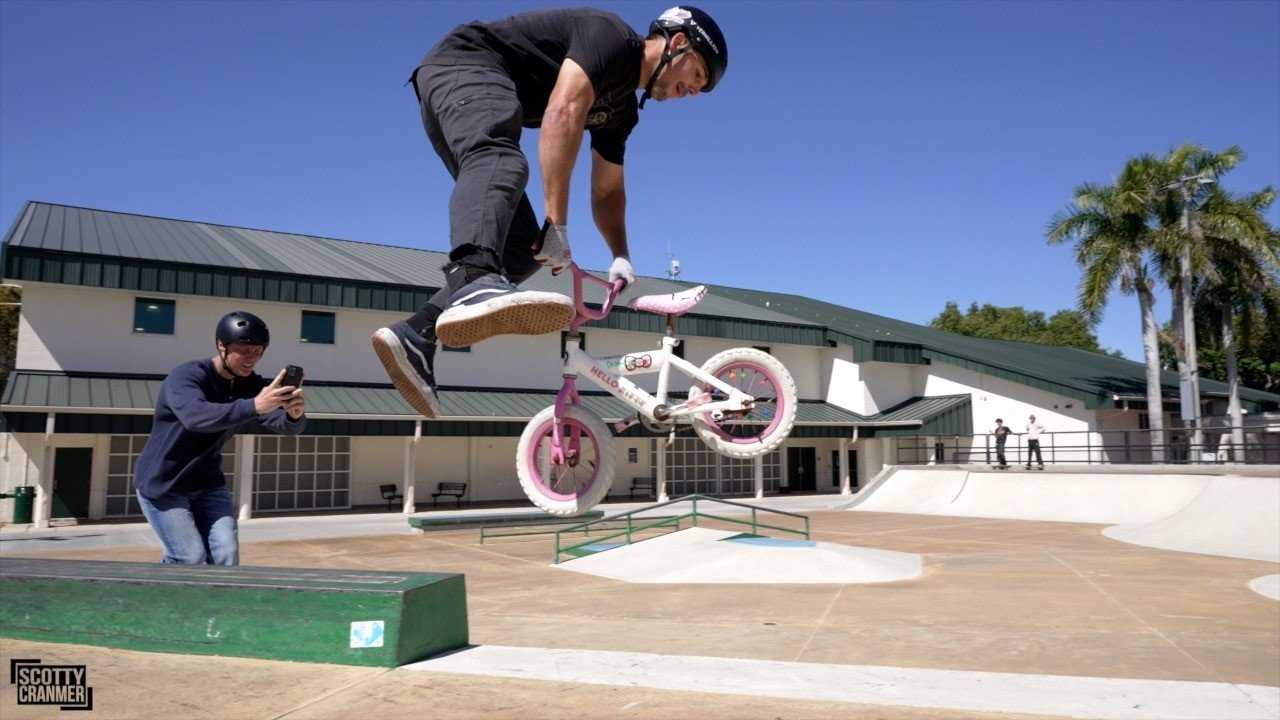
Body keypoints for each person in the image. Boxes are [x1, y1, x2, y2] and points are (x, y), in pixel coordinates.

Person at [372, 6, 729, 418]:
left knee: (523, 251)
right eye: (697, 76)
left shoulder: (622, 111)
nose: (693, 92)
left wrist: (621, 255)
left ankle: (416, 335)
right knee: (503, 161)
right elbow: (563, 111)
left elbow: (608, 190)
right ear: (679, 44)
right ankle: (473, 276)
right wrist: (557, 225)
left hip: (455, 95)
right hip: (465, 65)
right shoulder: (611, 39)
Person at [133, 312, 306, 565]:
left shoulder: (249, 384)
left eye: (258, 352)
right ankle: (158, 598)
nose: (252, 359)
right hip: (164, 483)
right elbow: (195, 417)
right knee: (188, 557)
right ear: (221, 345)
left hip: (207, 483)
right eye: (244, 351)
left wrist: (294, 416)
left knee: (226, 555)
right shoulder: (187, 376)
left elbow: (285, 426)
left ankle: (216, 604)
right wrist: (254, 406)